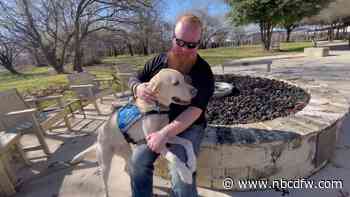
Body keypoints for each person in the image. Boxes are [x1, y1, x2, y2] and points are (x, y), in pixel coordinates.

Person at [128, 13, 215, 197]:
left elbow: (195, 110)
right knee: (137, 160)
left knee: (181, 170)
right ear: (173, 38)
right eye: (180, 42)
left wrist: (164, 134)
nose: (184, 49)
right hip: (155, 123)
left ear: (199, 43)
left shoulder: (203, 71)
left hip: (188, 126)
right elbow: (134, 78)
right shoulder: (157, 61)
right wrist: (138, 88)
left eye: (191, 45)